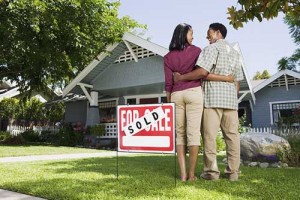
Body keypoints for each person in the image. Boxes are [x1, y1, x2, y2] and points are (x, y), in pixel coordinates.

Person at [174, 22, 244, 181]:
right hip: (231, 101)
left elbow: (202, 72)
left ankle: (211, 173)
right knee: (233, 138)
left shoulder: (211, 49)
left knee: (209, 137)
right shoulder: (234, 53)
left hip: (212, 99)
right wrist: (231, 92)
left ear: (218, 33)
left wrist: (181, 77)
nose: (207, 37)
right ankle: (233, 173)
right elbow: (237, 82)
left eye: (209, 33)